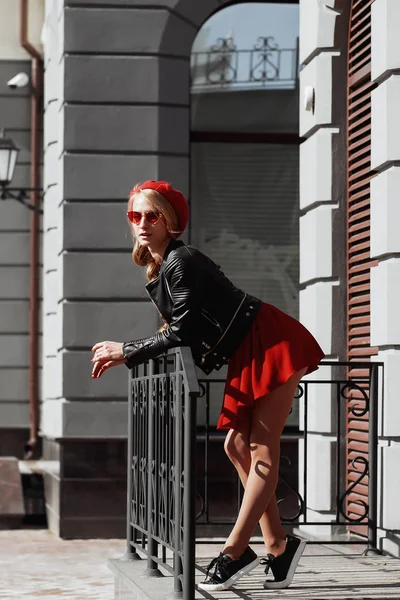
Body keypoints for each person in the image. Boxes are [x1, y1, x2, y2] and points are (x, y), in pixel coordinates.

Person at [91, 180, 325, 592]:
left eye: (152, 215)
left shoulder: (182, 260)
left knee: (260, 450)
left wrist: (127, 350)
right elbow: (185, 326)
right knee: (236, 446)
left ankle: (235, 551)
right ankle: (278, 546)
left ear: (172, 222)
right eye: (135, 215)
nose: (142, 223)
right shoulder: (163, 264)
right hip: (249, 345)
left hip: (272, 341)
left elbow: (182, 330)